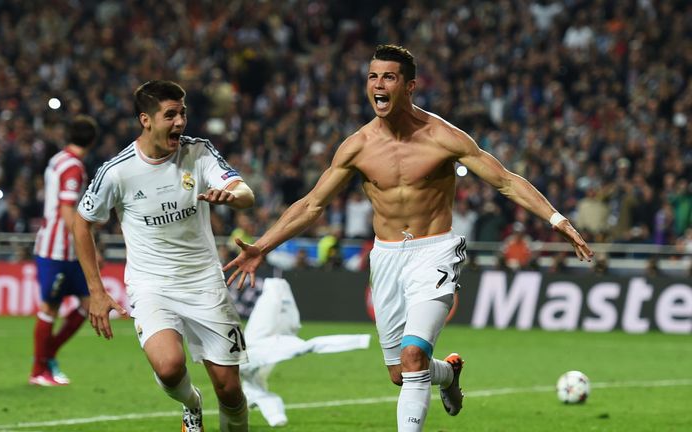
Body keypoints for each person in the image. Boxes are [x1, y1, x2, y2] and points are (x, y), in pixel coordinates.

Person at [225, 45, 593, 432]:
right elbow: (313, 204)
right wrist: (263, 246)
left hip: (434, 252)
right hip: (385, 258)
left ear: (410, 85)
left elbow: (504, 181)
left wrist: (556, 219)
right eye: (372, 77)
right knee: (401, 373)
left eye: (388, 77)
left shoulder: (443, 137)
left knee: (414, 355)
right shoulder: (358, 146)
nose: (378, 85)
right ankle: (448, 376)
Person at [72, 80, 254, 432]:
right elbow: (82, 224)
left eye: (182, 113)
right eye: (170, 115)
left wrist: (233, 196)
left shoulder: (198, 153)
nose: (180, 122)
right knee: (169, 366)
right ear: (146, 119)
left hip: (203, 282)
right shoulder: (117, 171)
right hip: (150, 284)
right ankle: (192, 404)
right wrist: (96, 291)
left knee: (230, 390)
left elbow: (244, 191)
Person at [29, 115, 99, 386]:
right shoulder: (73, 168)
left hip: (64, 249)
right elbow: (67, 209)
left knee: (87, 304)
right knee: (50, 306)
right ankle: (38, 370)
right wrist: (86, 244)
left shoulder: (57, 160)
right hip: (57, 250)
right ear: (92, 140)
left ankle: (48, 355)